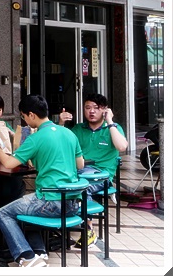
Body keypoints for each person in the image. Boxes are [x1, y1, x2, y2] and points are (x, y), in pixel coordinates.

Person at [0, 94, 84, 268]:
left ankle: (26, 257)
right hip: (72, 203)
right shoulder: (69, 133)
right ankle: (39, 252)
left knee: (2, 214)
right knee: (26, 208)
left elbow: (9, 163)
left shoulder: (36, 138)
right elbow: (80, 164)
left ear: (31, 115)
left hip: (50, 201)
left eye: (24, 116)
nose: (25, 121)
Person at [58, 93, 128, 248]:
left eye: (96, 108)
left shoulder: (113, 128)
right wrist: (61, 123)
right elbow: (59, 144)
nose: (91, 111)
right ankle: (60, 223)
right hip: (78, 172)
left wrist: (110, 122)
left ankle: (88, 229)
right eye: (87, 107)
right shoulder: (78, 129)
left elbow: (122, 147)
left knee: (82, 187)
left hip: (101, 176)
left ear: (105, 110)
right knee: (59, 184)